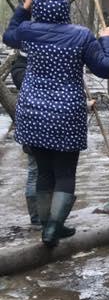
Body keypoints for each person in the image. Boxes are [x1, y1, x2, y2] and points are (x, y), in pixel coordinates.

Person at [2, 0, 109, 247]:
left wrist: (22, 8)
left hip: (32, 112)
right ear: (65, 8)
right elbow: (106, 69)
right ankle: (54, 228)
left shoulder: (27, 32)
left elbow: (8, 35)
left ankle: (46, 227)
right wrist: (107, 40)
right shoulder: (81, 36)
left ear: (37, 8)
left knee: (44, 171)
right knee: (65, 172)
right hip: (66, 113)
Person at [9, 53, 40, 228]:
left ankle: (39, 218)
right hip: (38, 123)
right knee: (39, 171)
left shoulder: (20, 66)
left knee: (35, 171)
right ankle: (42, 218)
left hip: (29, 123)